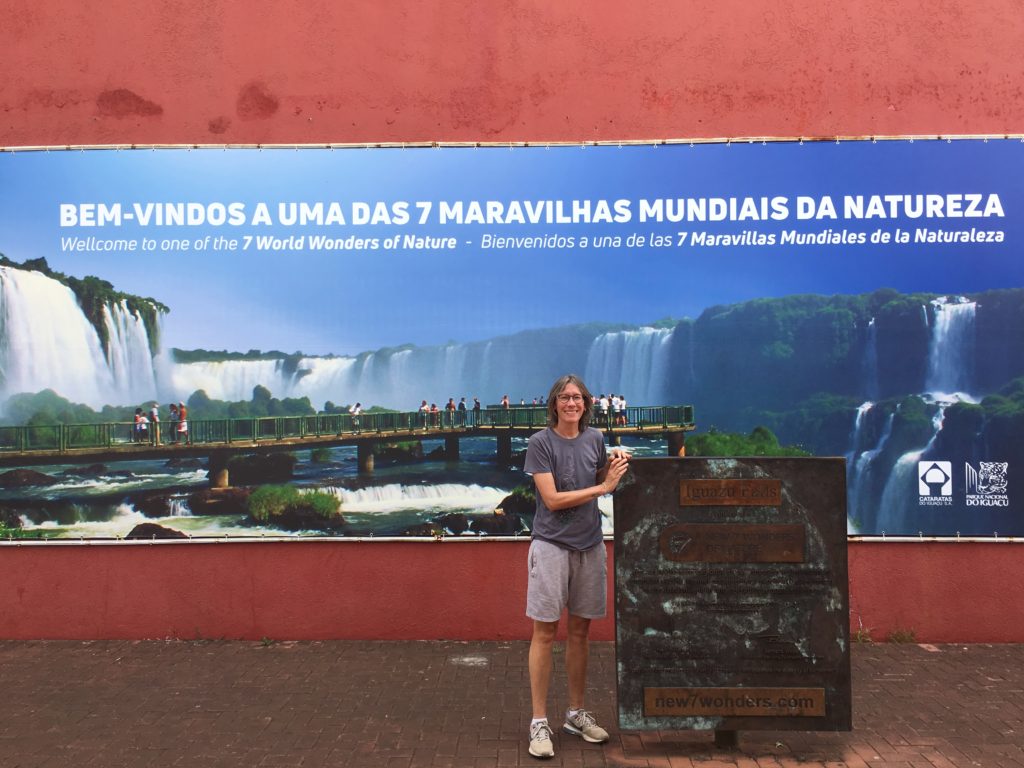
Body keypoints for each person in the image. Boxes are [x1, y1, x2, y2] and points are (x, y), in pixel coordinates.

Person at [523, 374, 630, 759]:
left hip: (590, 545)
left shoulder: (595, 439)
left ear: (586, 403)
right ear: (554, 404)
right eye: (565, 397)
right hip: (551, 546)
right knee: (545, 633)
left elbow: (598, 476)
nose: (572, 403)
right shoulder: (540, 443)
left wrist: (613, 468)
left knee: (581, 633)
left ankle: (574, 714)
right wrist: (603, 489)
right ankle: (539, 721)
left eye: (578, 397)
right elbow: (551, 500)